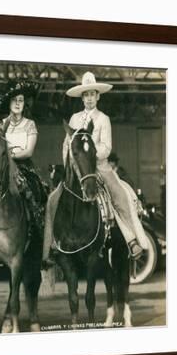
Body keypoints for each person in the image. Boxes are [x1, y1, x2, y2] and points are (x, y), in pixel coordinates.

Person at [42, 71, 149, 267]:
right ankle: (51, 245)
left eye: (92, 94)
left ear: (98, 96)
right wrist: (71, 164)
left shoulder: (103, 119)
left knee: (118, 196)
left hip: (99, 167)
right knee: (52, 200)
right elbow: (66, 145)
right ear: (82, 97)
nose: (89, 99)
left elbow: (106, 147)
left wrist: (89, 154)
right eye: (86, 95)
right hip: (76, 169)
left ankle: (132, 239)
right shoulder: (74, 119)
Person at [0, 80, 46, 232]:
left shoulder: (30, 124)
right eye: (14, 100)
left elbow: (29, 151)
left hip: (24, 167)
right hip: (4, 167)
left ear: (24, 104)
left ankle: (37, 225)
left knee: (34, 191)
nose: (17, 103)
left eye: (21, 100)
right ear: (9, 103)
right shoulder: (0, 125)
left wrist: (11, 154)